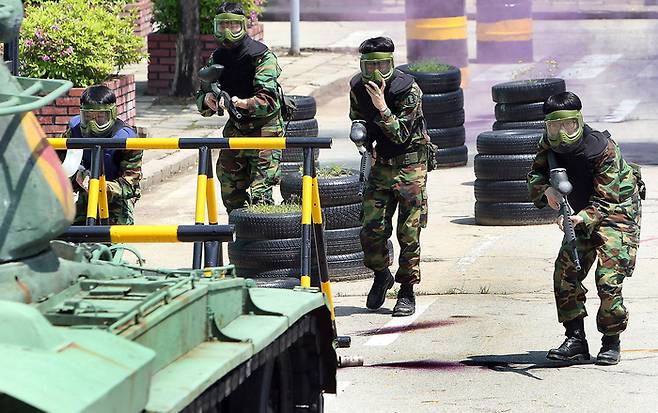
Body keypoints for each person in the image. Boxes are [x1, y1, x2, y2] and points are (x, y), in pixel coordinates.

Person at [527, 91, 644, 365]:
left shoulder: (602, 148)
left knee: (608, 280)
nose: (561, 133)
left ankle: (611, 341)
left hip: (618, 212)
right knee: (566, 272)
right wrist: (546, 190)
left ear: (578, 121)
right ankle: (576, 340)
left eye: (567, 125)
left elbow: (607, 199)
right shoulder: (549, 145)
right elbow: (535, 174)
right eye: (554, 126)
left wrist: (581, 218)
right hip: (580, 211)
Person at [349, 36, 429, 317]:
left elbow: (401, 134)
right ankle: (381, 274)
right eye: (370, 66)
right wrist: (364, 142)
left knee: (408, 233)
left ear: (392, 63)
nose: (376, 73)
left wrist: (382, 106)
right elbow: (358, 119)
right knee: (371, 230)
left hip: (411, 165)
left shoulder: (408, 89)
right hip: (381, 165)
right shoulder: (358, 87)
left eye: (383, 65)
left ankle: (406, 291)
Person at [196, 2, 283, 214]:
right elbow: (202, 96)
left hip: (265, 132)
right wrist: (208, 99)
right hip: (236, 129)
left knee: (260, 196)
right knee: (230, 192)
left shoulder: (261, 56)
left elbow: (269, 101)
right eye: (222, 25)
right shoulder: (216, 58)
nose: (228, 31)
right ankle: (240, 242)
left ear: (243, 26)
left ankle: (263, 244)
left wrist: (242, 103)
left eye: (233, 26)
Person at [63, 85, 142, 225]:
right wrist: (77, 177)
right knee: (66, 233)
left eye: (100, 117)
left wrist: (100, 187)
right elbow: (59, 165)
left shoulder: (127, 140)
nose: (93, 124)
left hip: (115, 199)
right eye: (87, 117)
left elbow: (129, 185)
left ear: (112, 113)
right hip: (82, 193)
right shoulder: (73, 131)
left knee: (114, 239)